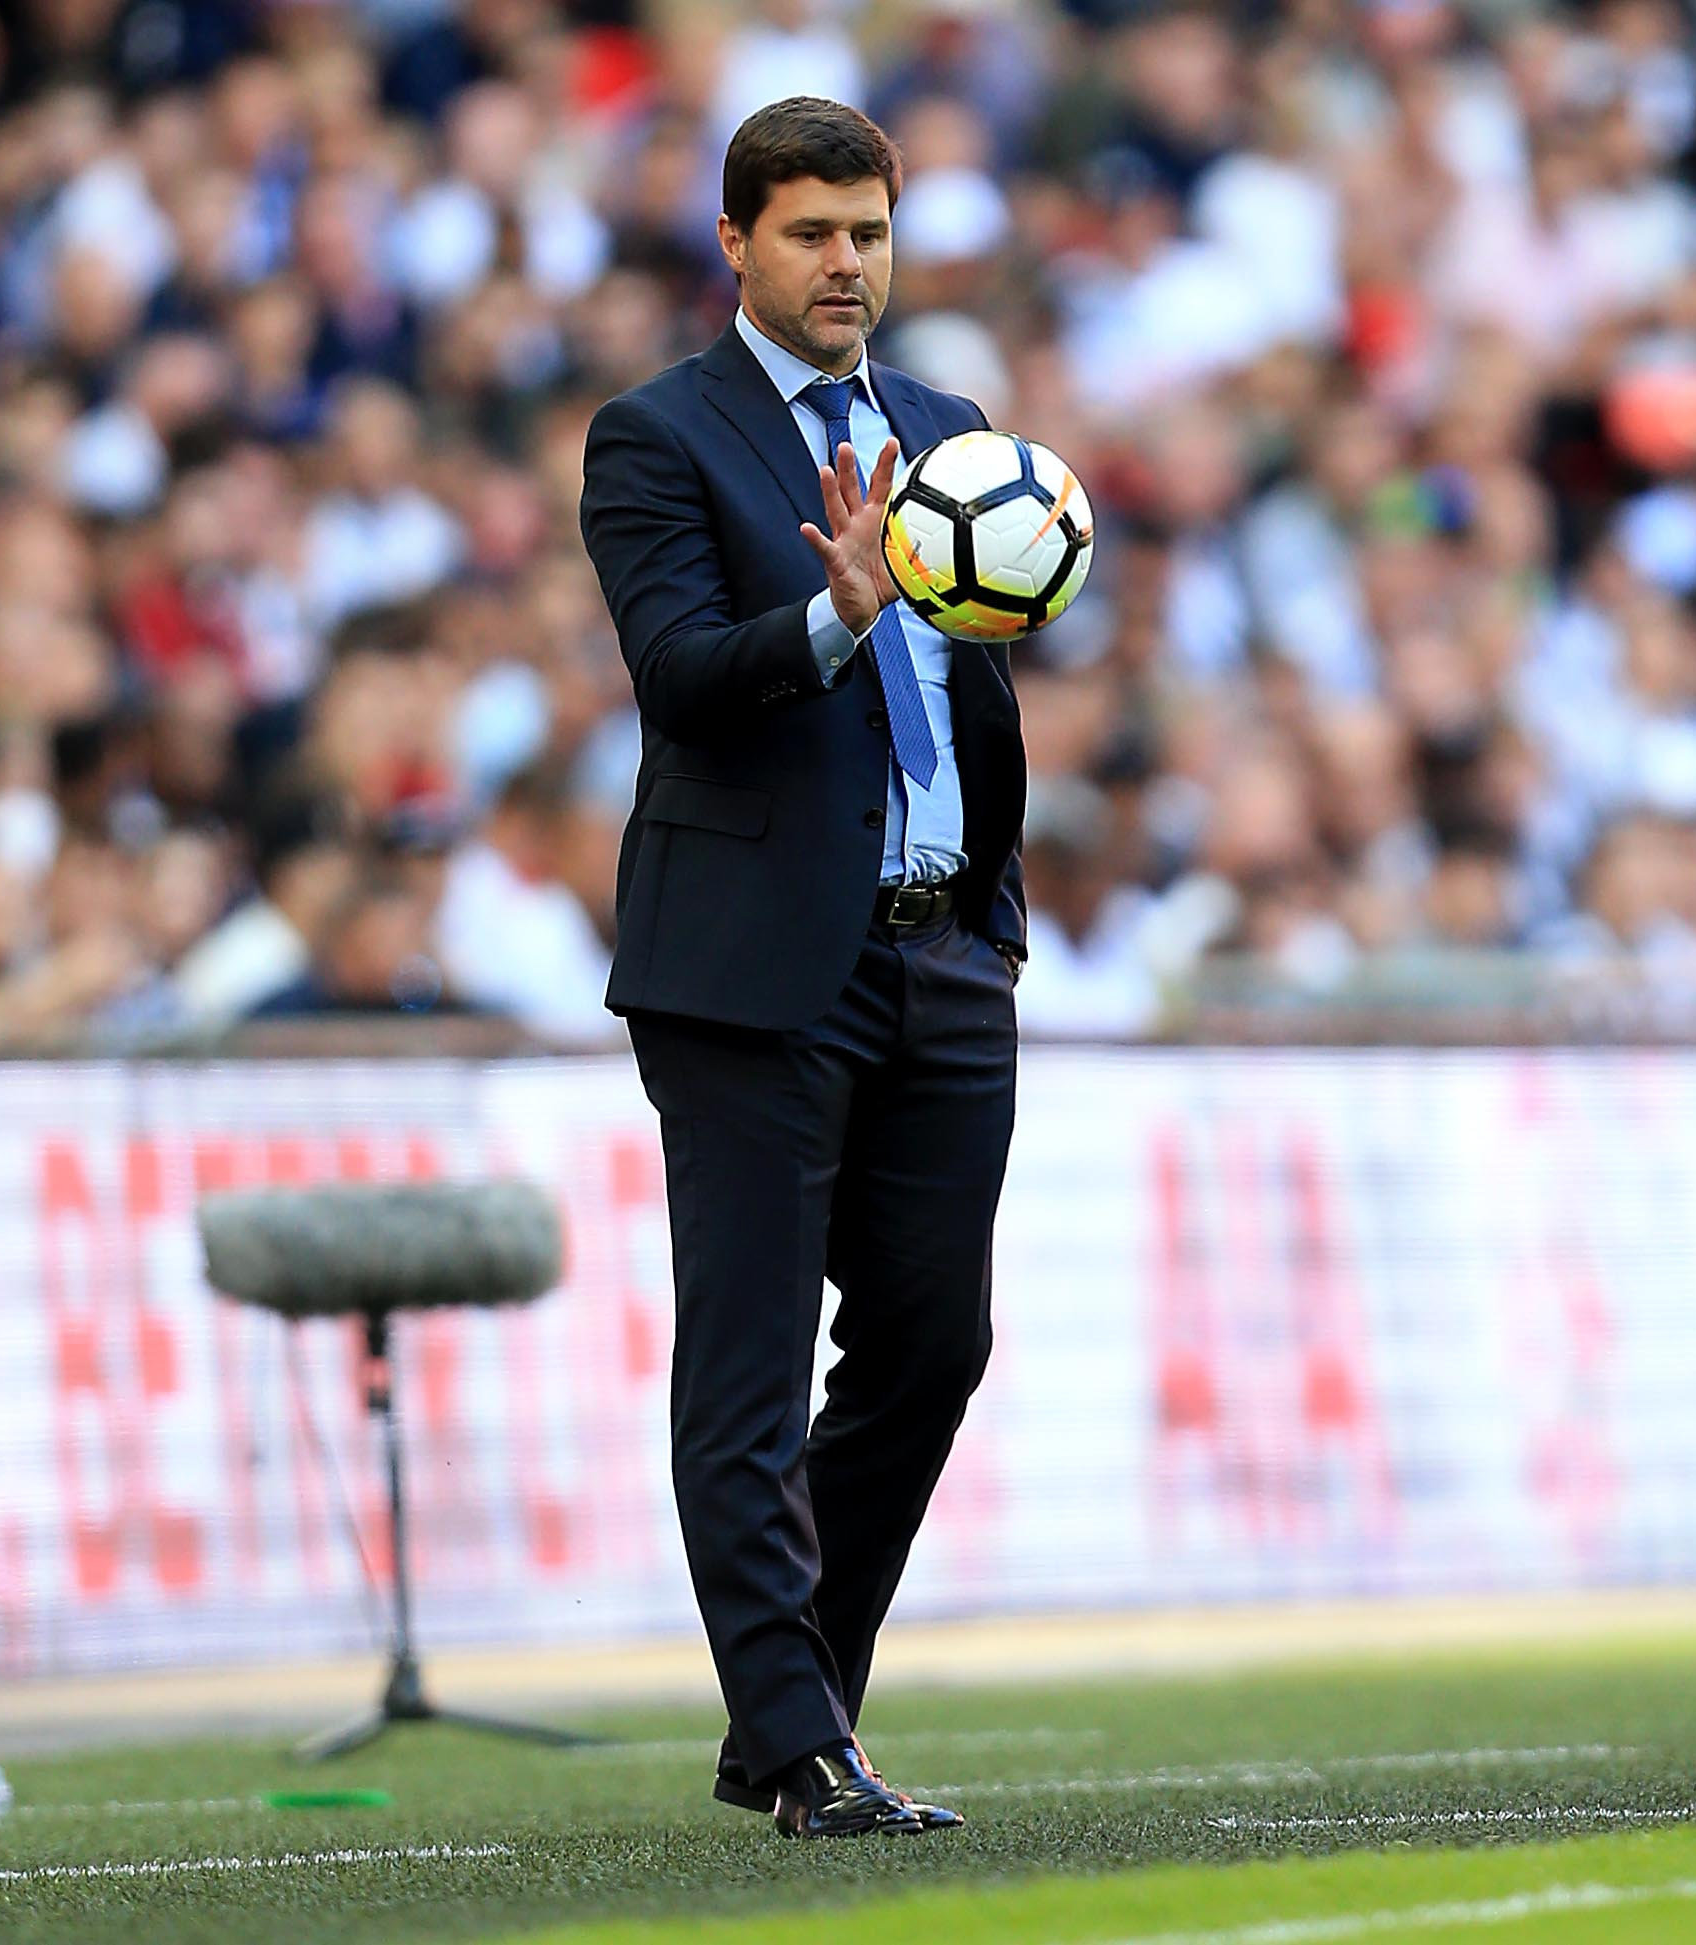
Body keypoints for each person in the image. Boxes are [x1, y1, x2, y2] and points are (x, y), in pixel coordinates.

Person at [576, 97, 1023, 1841]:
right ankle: (805, 1738)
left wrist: (989, 907)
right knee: (748, 1370)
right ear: (739, 249)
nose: (848, 263)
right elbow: (681, 674)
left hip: (941, 957)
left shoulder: (951, 430)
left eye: (870, 232)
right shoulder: (656, 437)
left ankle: (790, 1705)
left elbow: (977, 686)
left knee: (932, 1347)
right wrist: (840, 611)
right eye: (813, 234)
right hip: (753, 969)